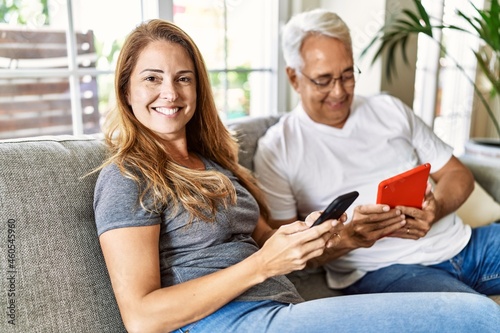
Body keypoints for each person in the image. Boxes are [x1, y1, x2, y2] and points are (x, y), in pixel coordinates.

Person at [93, 18, 500, 333]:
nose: (171, 93)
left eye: (184, 78)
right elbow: (142, 318)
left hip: (281, 311)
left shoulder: (214, 166)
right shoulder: (127, 176)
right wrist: (261, 266)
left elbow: (273, 245)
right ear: (126, 89)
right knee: (479, 318)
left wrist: (334, 235)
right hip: (230, 321)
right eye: (152, 78)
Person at [254, 8, 500, 297]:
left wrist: (436, 209)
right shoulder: (277, 149)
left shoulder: (389, 109)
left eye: (347, 75)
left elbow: (458, 175)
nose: (339, 92)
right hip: (387, 271)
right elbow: (285, 254)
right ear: (294, 78)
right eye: (324, 80)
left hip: (466, 244)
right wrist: (349, 238)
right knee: (473, 317)